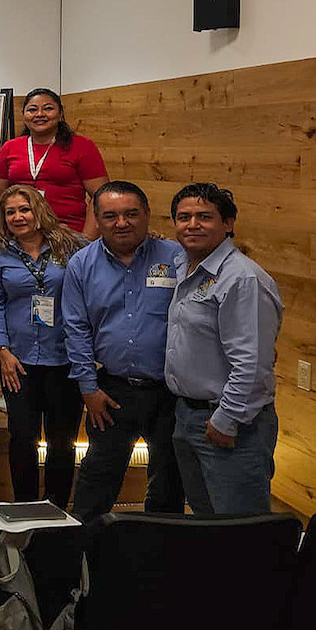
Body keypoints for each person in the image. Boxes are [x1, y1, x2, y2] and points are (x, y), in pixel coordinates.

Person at [63, 181, 185, 521]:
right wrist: (88, 389)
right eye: (110, 216)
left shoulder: (177, 257)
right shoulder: (81, 265)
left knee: (168, 485)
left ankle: (159, 548)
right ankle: (85, 548)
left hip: (171, 393)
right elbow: (76, 329)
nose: (121, 223)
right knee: (96, 483)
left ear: (147, 215)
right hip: (111, 393)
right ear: (97, 219)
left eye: (131, 214)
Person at [165, 183, 283, 515]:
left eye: (204, 217)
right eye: (184, 217)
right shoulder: (184, 266)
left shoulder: (242, 279)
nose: (192, 225)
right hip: (187, 416)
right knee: (207, 522)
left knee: (239, 527)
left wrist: (226, 420)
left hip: (231, 422)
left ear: (228, 224)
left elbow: (252, 364)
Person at [0, 185, 86, 508]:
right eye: (10, 212)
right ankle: (25, 508)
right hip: (18, 362)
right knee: (22, 438)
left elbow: (110, 250)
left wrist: (151, 241)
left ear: (39, 210)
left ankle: (56, 508)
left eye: (24, 209)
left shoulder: (71, 245)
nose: (18, 217)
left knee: (63, 441)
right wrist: (2, 350)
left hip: (64, 359)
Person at [0, 88, 108, 238]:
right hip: (19, 236)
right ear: (24, 115)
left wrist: (86, 240)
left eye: (48, 108)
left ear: (60, 113)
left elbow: (100, 195)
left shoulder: (82, 146)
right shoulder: (10, 147)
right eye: (32, 110)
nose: (39, 114)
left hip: (68, 236)